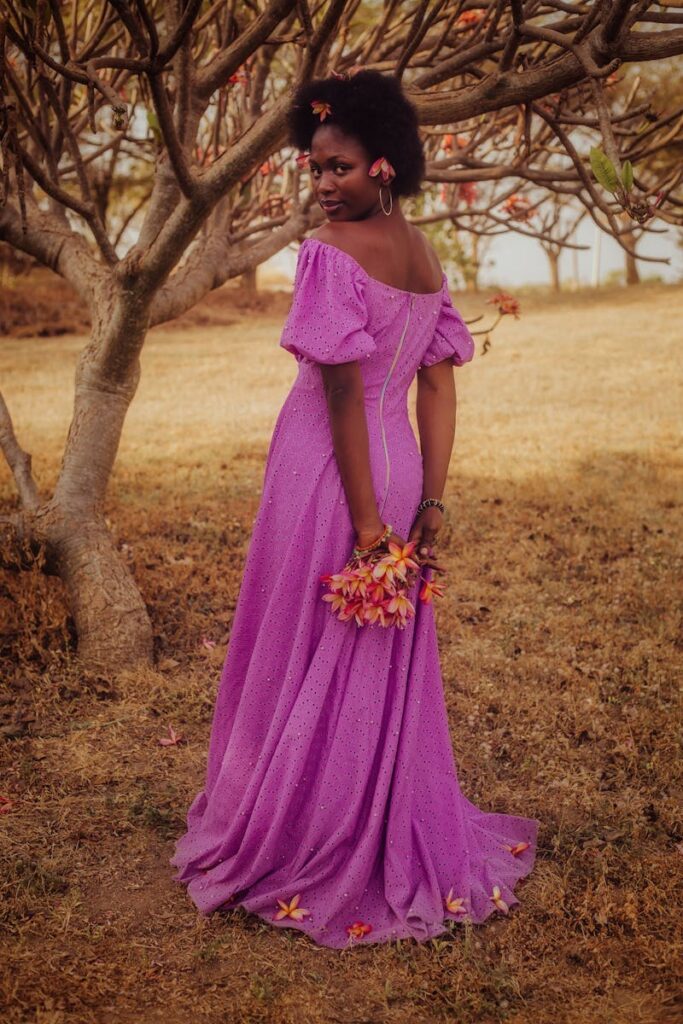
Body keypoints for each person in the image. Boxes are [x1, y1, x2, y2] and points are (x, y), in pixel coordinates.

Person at [170, 70, 539, 949]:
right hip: (398, 466)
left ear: (383, 165)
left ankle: (301, 825)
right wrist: (431, 499)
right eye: (312, 169)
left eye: (336, 167)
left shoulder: (331, 254)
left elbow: (341, 394)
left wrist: (370, 523)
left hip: (332, 472)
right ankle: (358, 803)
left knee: (309, 635)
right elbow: (436, 392)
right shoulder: (423, 257)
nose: (322, 184)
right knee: (362, 649)